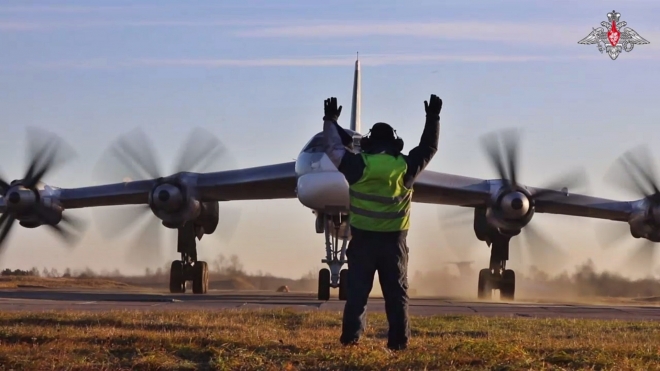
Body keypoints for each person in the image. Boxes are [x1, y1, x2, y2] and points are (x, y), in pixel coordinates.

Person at [322, 95, 442, 351]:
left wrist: (330, 120)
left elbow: (333, 149)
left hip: (363, 242)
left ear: (369, 143)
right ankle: (398, 343)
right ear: (395, 143)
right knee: (397, 297)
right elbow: (429, 147)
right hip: (394, 244)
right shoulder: (405, 167)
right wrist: (433, 118)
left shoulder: (359, 165)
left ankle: (351, 340)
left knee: (356, 295)